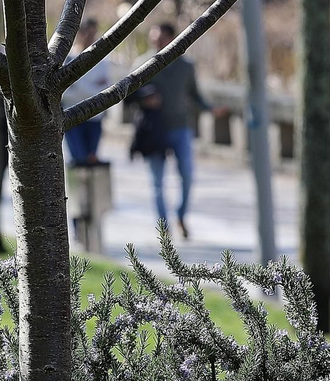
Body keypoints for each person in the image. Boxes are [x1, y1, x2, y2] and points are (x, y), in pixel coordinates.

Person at [129, 22, 219, 239]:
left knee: (187, 176)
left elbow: (194, 94)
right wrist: (145, 100)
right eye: (153, 38)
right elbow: (128, 95)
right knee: (157, 183)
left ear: (171, 38)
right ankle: (164, 227)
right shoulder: (142, 63)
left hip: (181, 128)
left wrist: (210, 109)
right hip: (154, 131)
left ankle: (181, 216)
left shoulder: (186, 66)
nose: (156, 42)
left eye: (160, 38)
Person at [61, 17, 114, 166]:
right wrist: (91, 88)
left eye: (94, 34)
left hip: (95, 118)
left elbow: (104, 90)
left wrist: (76, 83)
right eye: (88, 33)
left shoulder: (102, 61)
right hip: (71, 115)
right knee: (78, 160)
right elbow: (64, 93)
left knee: (92, 160)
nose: (91, 38)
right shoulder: (68, 59)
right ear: (80, 34)